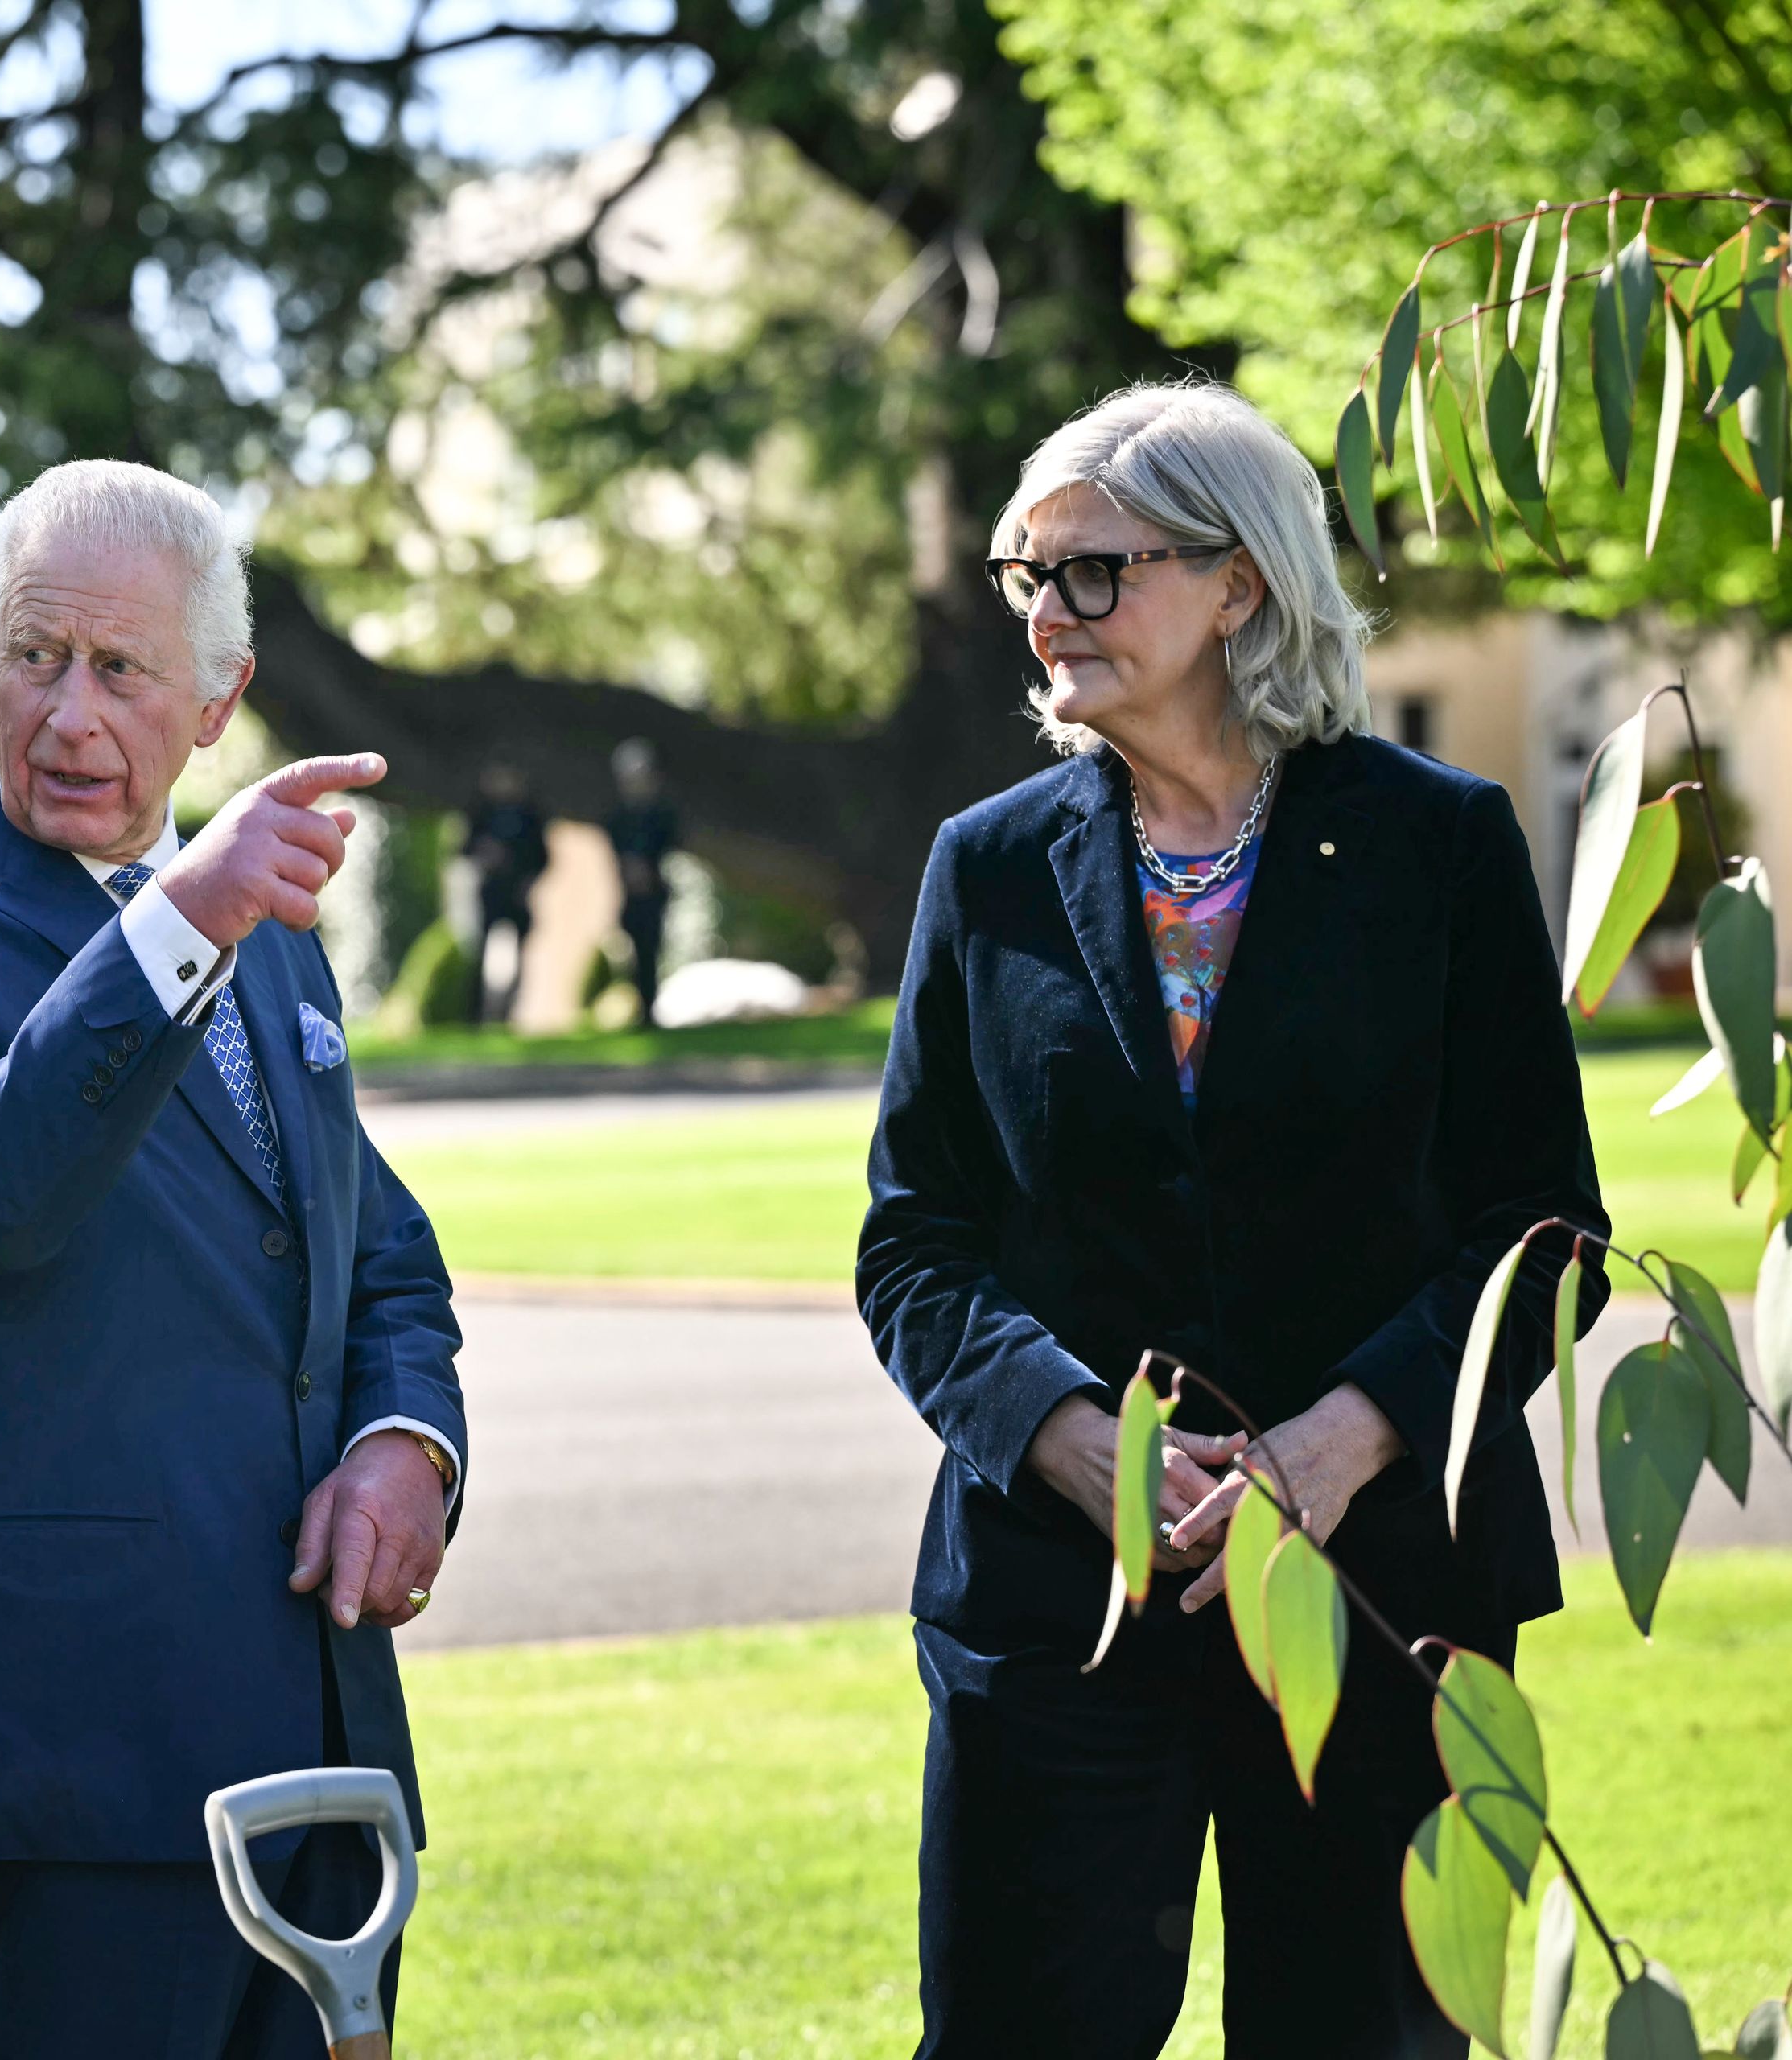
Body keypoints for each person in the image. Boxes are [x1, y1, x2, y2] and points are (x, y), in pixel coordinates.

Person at [855, 379, 1609, 2058]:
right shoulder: (984, 865)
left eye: (1094, 572)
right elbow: (914, 1235)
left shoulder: (1442, 846)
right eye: (1027, 576)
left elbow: (1544, 1232)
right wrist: (1058, 1432)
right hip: (1059, 1606)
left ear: (1240, 583)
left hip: (1383, 1593)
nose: (1048, 613)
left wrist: (1348, 1440)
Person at [0, 459, 468, 2058]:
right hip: (71, 1758)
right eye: (34, 657)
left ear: (221, 696)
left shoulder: (273, 926)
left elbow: (379, 1263)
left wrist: (403, 1440)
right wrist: (181, 921)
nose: (69, 715)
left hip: (317, 1737)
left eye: (119, 669)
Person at [460, 760, 546, 1026]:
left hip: (518, 895)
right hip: (491, 892)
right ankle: (475, 1015)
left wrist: (527, 882)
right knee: (482, 952)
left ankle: (510, 1012)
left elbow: (542, 857)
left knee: (520, 954)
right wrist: (485, 855)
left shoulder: (529, 815)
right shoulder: (482, 814)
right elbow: (465, 849)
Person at [603, 738, 681, 1027]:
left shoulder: (661, 814)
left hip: (654, 892)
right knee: (633, 954)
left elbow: (669, 844)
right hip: (629, 894)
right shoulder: (618, 816)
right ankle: (640, 1009)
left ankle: (650, 1011)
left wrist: (647, 868)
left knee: (652, 951)